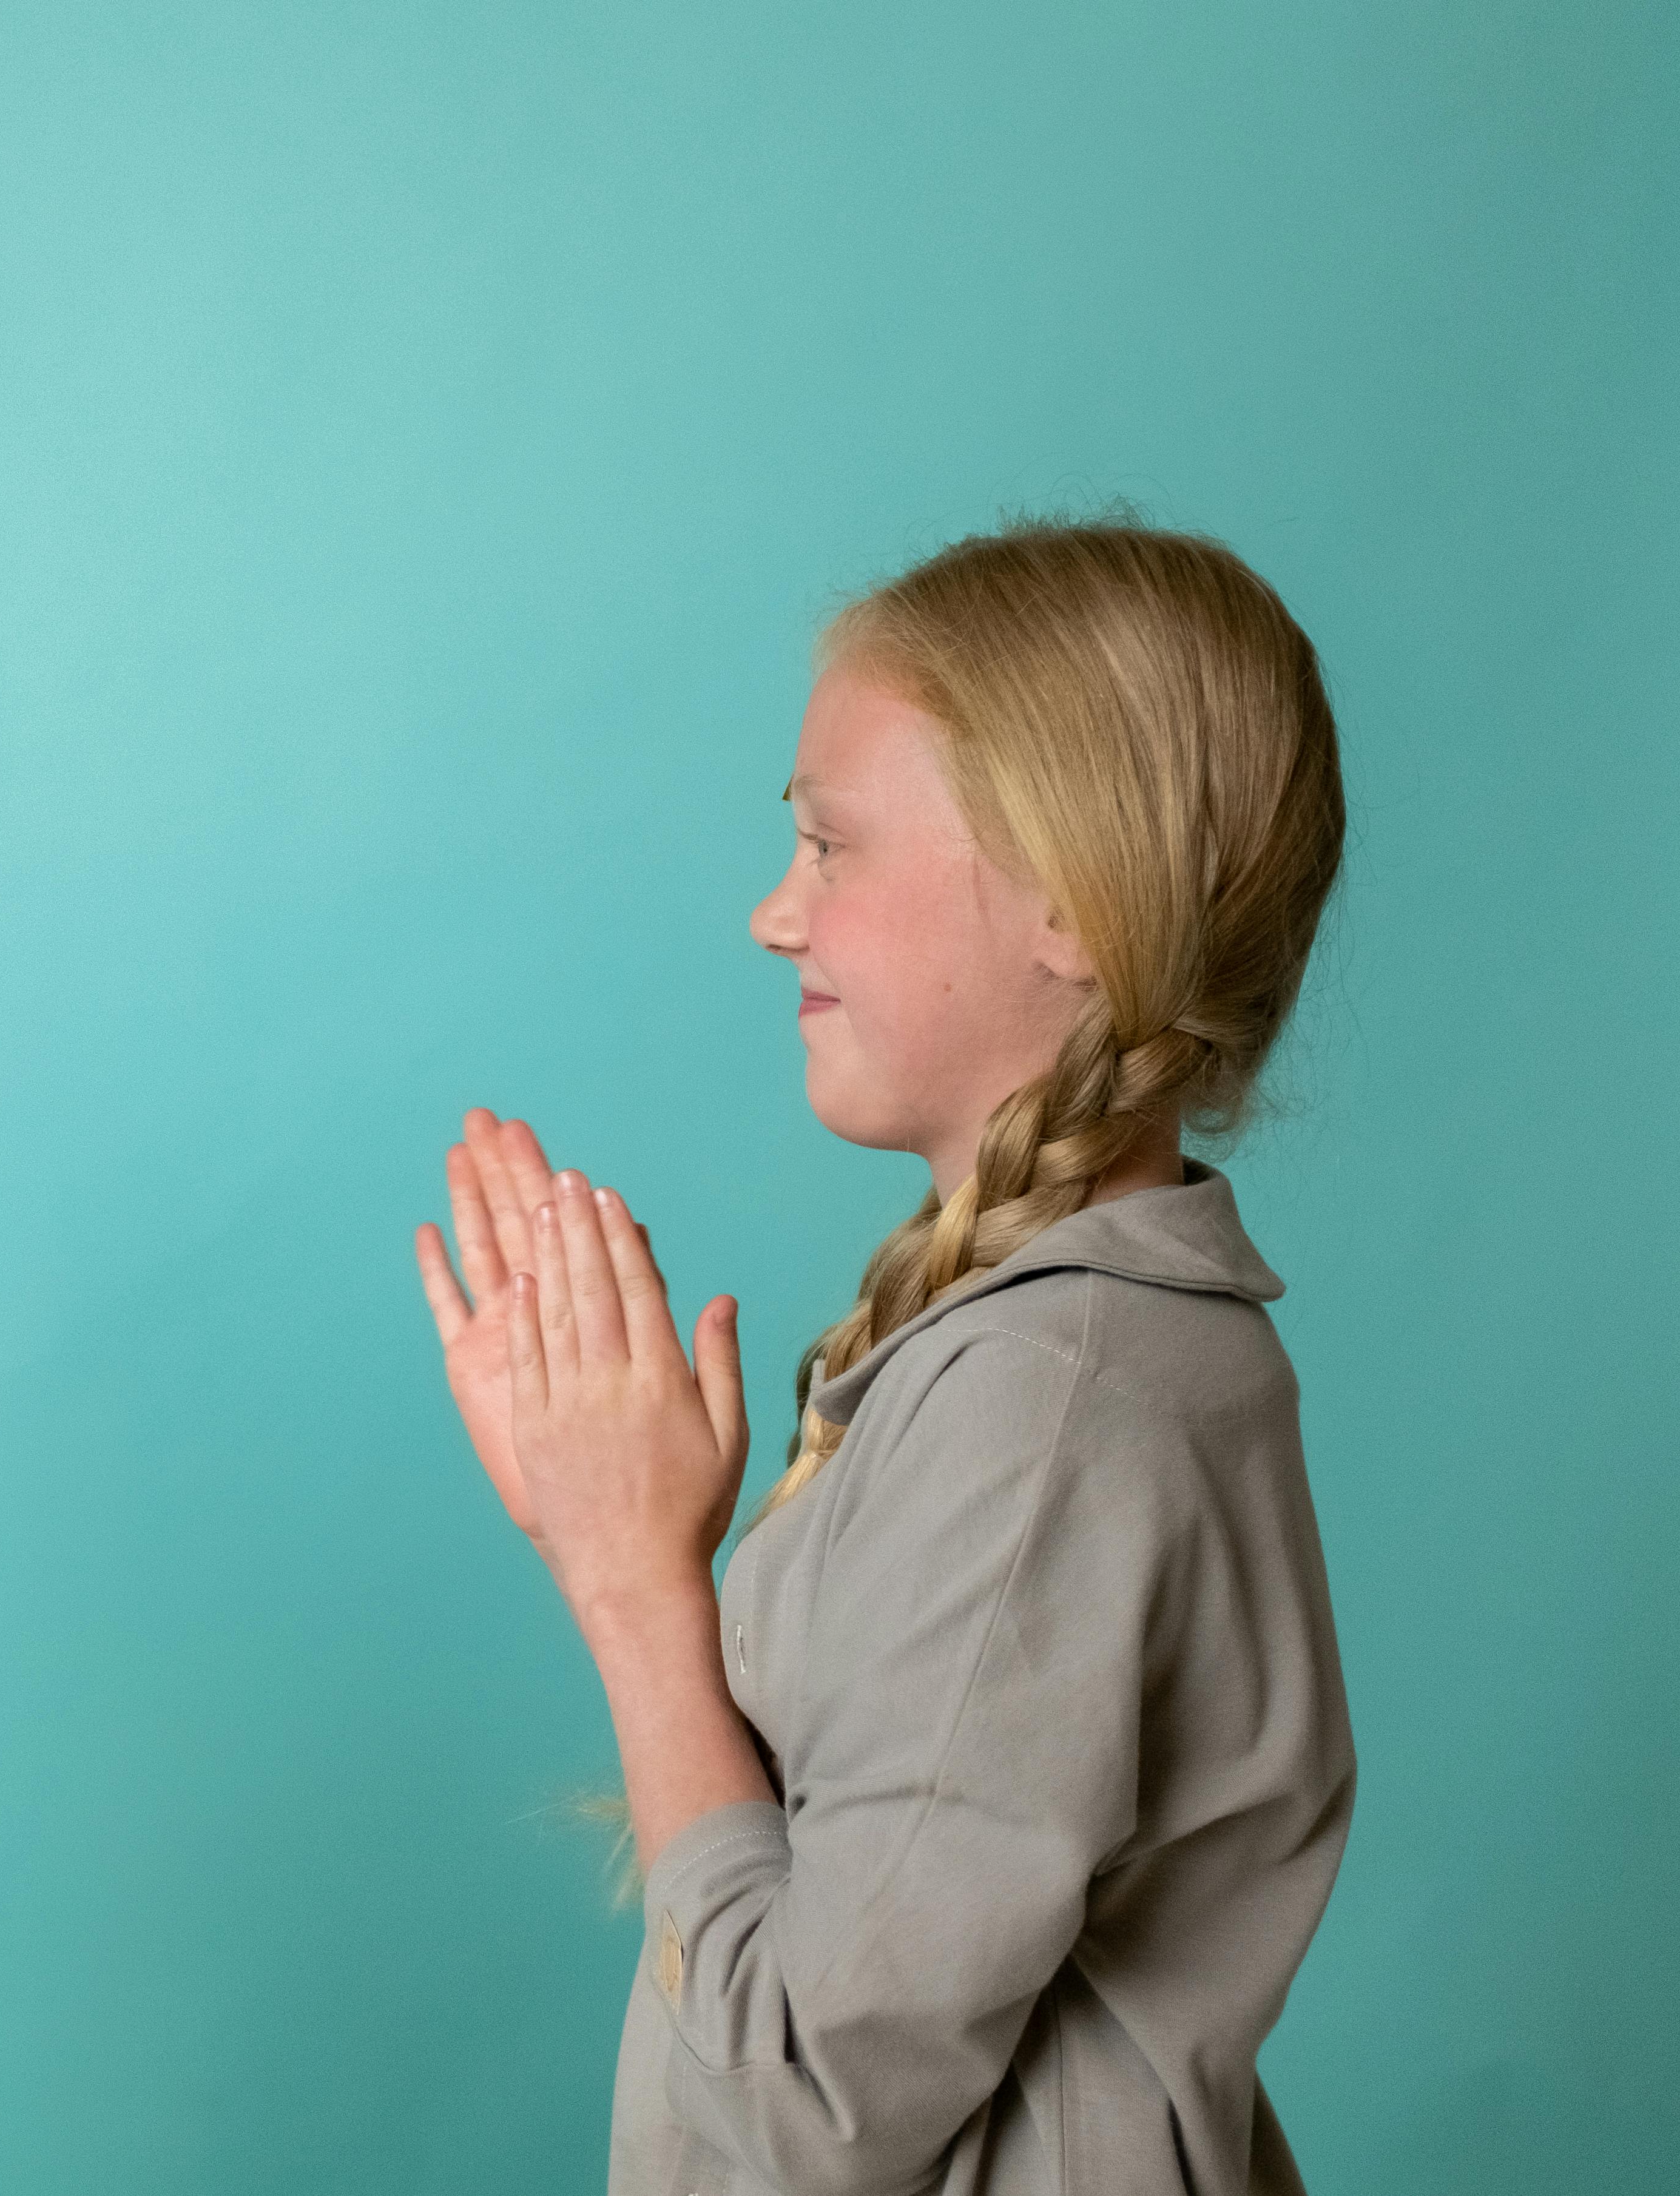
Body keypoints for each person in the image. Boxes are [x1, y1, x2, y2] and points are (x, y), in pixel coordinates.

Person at [414, 520, 1355, 2195]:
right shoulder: (1060, 1356)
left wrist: (633, 1581)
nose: (777, 913)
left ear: (1071, 901)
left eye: (828, 842)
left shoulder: (1046, 1403)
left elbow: (802, 2118)